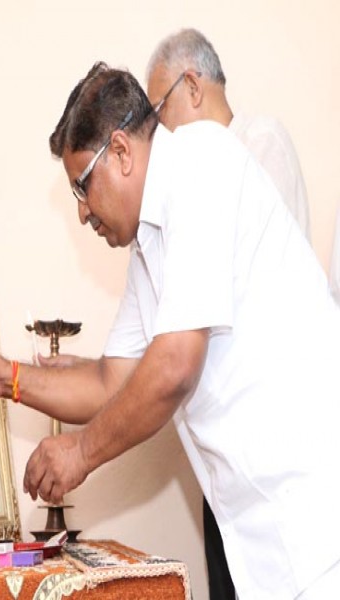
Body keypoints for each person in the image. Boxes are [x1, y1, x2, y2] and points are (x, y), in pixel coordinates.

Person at [0, 62, 340, 599]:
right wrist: (7, 375)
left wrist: (80, 453)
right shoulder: (148, 247)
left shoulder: (202, 161)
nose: (82, 213)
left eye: (83, 186)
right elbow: (110, 381)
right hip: (264, 537)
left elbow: (174, 366)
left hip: (316, 513)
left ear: (122, 151)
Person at [145, 28, 313, 599]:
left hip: (275, 449)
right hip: (225, 456)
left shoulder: (256, 142)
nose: (159, 136)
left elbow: (243, 293)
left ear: (192, 86)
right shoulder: (189, 181)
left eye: (159, 112)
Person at [146, 28, 310, 241]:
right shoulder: (190, 169)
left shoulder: (262, 142)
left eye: (160, 111)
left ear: (193, 88)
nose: (161, 131)